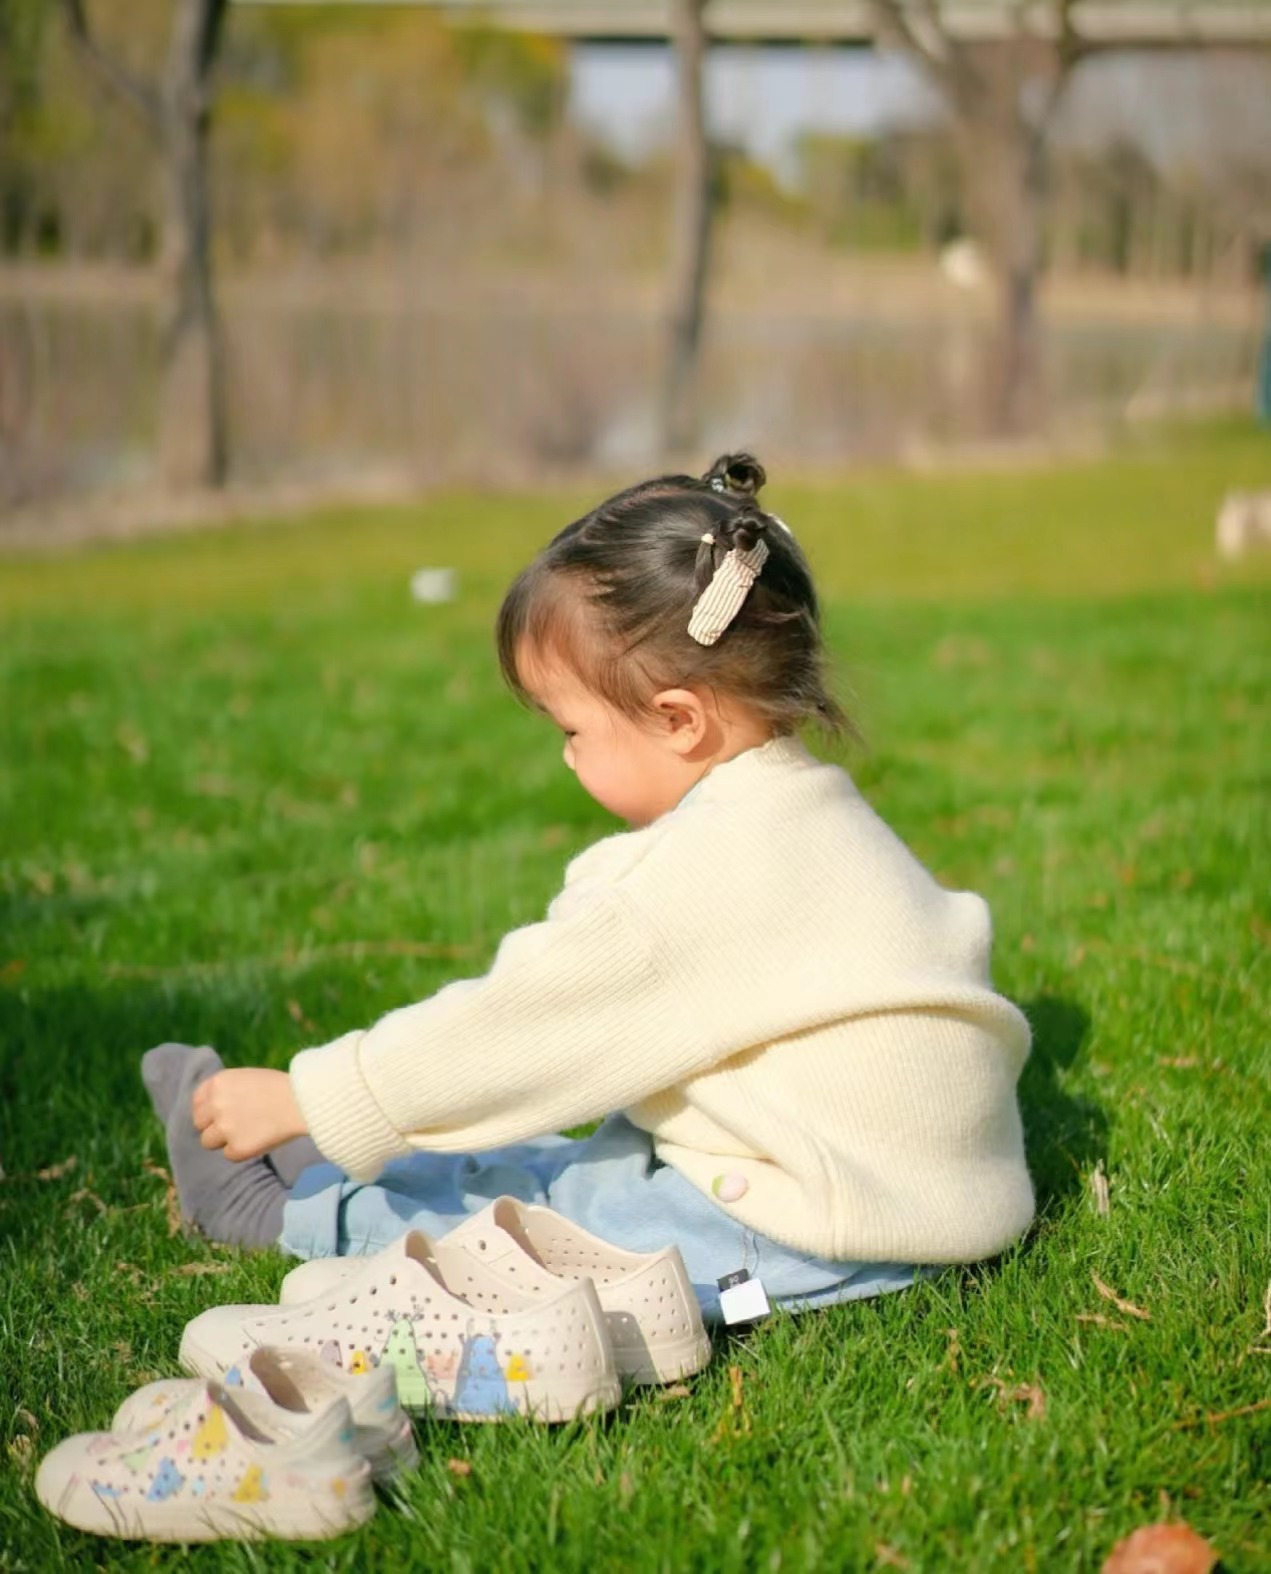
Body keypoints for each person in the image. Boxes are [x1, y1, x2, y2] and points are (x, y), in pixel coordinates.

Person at [143, 453, 1035, 1321]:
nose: (566, 755)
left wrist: (318, 1094)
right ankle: (331, 1159)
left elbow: (513, 1032)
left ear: (678, 720)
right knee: (583, 1158)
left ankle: (292, 1215)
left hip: (806, 1229)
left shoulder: (681, 882)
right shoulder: (813, 813)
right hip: (921, 1194)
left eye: (572, 729)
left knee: (557, 1236)